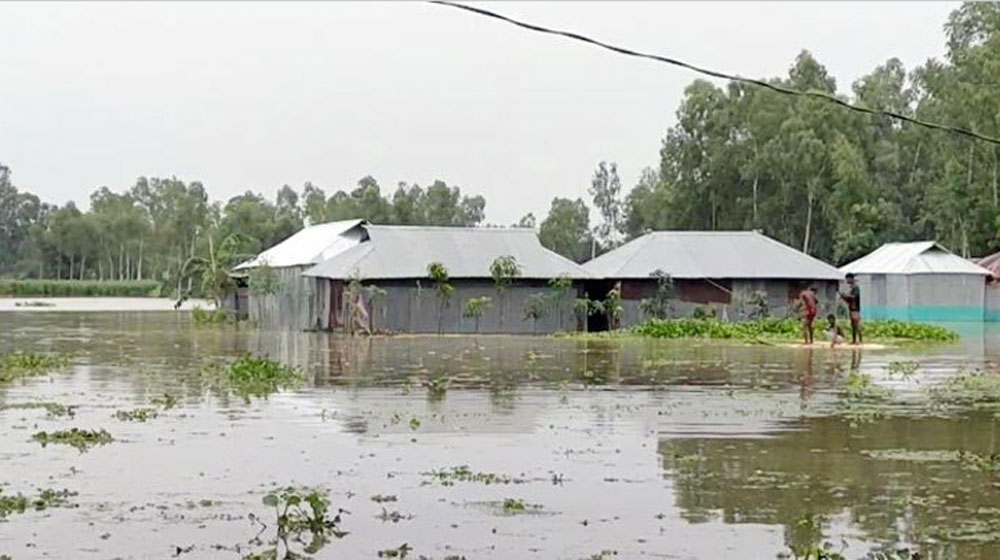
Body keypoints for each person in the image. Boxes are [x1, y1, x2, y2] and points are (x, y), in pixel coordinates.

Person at [839, 274, 863, 345]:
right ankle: (854, 340)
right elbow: (849, 299)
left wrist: (845, 296)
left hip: (855, 309)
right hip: (852, 308)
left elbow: (854, 297)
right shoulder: (852, 288)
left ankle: (860, 341)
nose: (847, 281)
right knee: (853, 325)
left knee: (856, 324)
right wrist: (844, 297)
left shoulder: (856, 288)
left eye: (848, 279)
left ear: (851, 279)